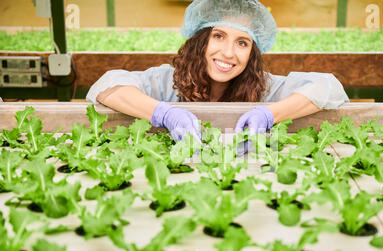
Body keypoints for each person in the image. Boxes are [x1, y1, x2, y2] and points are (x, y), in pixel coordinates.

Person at [86, 0, 349, 147]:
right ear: (200, 40)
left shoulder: (264, 88)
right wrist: (163, 113)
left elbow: (328, 86)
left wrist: (270, 114)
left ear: (252, 53)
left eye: (242, 43)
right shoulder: (168, 82)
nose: (228, 53)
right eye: (219, 36)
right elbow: (107, 85)